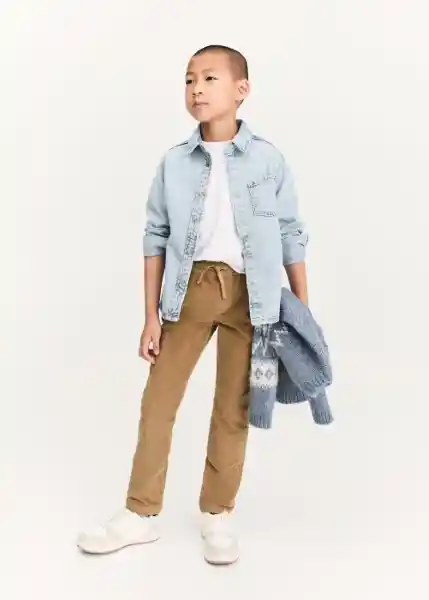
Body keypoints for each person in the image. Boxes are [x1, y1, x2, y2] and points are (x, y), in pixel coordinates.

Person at [77, 44, 308, 565]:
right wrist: (150, 316)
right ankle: (140, 513)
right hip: (188, 292)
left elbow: (291, 233)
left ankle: (218, 514)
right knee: (158, 401)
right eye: (188, 80)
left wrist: (302, 309)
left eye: (208, 78)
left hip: (253, 298)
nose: (196, 89)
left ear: (241, 90)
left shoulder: (268, 159)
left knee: (234, 407)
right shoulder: (174, 163)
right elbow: (155, 237)